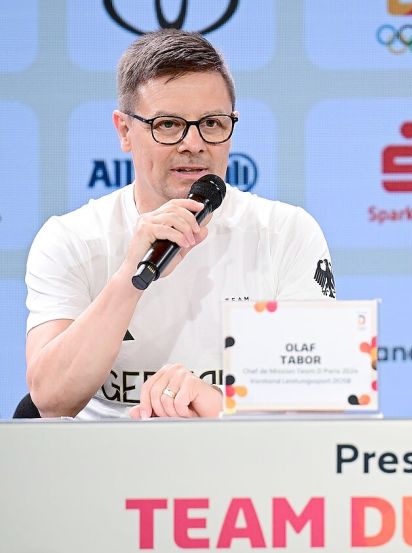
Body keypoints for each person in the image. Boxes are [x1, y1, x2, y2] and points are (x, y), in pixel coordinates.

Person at [25, 30, 336, 419]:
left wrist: (215, 411)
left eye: (212, 122)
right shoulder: (71, 238)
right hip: (107, 467)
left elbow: (321, 400)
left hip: (244, 465)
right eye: (169, 125)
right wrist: (129, 277)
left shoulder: (285, 232)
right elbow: (51, 399)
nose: (194, 143)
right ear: (124, 131)